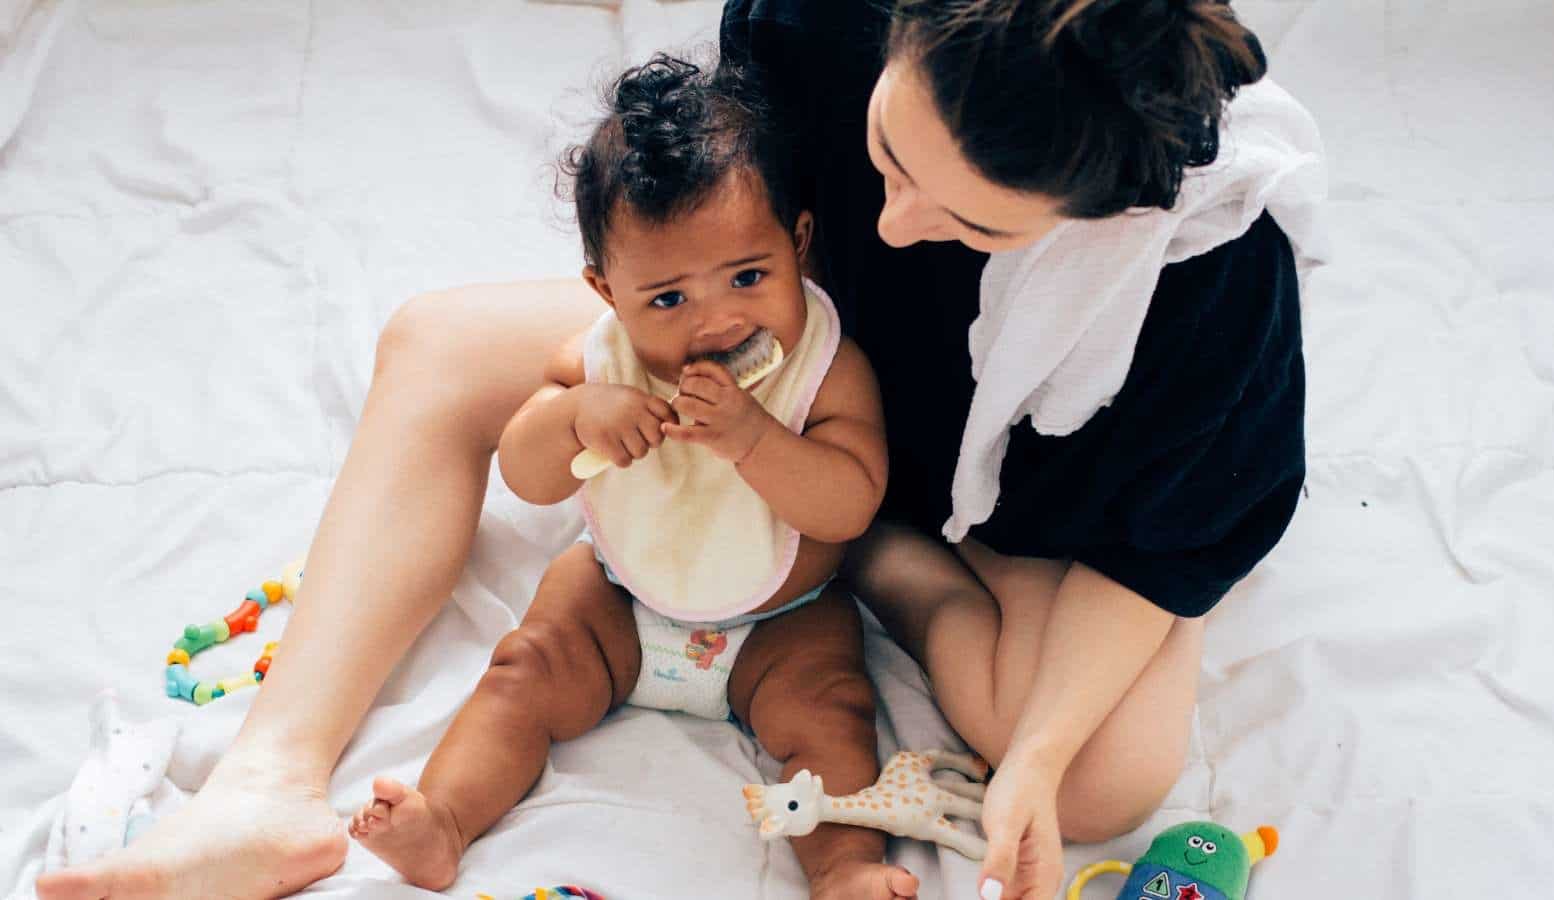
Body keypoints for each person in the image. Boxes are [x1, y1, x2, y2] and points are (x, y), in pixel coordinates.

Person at [35, 1, 1323, 899]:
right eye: (885, 154)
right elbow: (698, 222)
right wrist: (631, 377)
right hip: (782, 341)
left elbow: (1162, 554)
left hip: (1006, 479)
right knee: (433, 347)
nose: (894, 216)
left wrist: (1032, 763)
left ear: (1103, 220)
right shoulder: (821, 20)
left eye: (976, 223)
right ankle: (266, 783)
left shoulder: (1209, 281)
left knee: (1099, 778)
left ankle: (889, 560)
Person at [344, 55, 913, 900]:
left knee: (832, 712)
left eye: (749, 278)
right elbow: (528, 475)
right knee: (522, 671)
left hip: (781, 621)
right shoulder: (595, 359)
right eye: (667, 300)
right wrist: (573, 417)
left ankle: (843, 866)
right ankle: (446, 822)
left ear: (797, 245)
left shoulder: (825, 370)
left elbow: (848, 504)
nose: (718, 321)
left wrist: (752, 438)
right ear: (606, 289)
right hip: (618, 598)